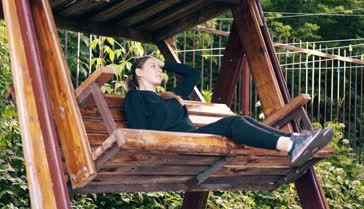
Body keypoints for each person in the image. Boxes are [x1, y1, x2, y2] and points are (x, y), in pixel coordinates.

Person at [123, 55, 333, 166]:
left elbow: (193, 74)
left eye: (159, 68)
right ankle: (291, 144)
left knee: (244, 120)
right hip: (173, 142)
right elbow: (139, 129)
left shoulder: (169, 96)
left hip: (191, 138)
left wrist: (164, 63)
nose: (159, 70)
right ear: (138, 72)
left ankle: (295, 140)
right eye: (153, 67)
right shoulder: (135, 97)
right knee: (234, 123)